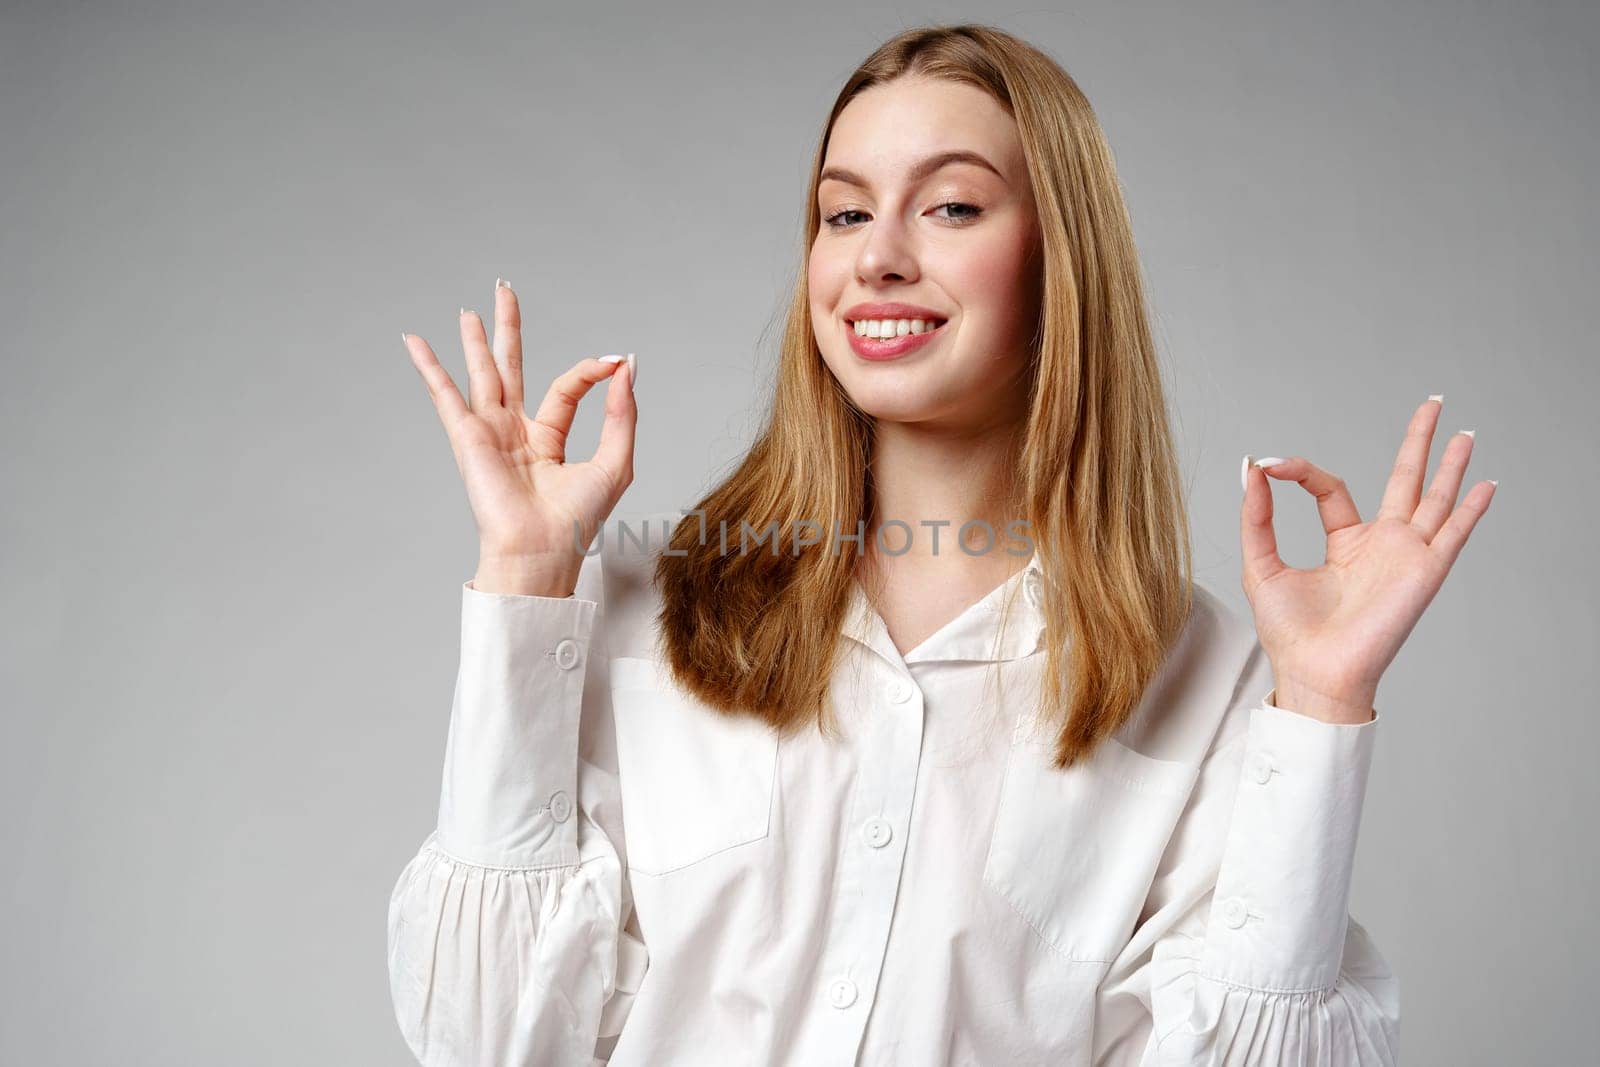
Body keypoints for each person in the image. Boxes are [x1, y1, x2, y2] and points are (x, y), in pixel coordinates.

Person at [388, 23, 1493, 1066]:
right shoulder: (643, 613)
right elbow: (481, 1034)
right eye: (845, 214)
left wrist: (1322, 704)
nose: (878, 259)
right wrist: (527, 581)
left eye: (953, 207)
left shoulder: (1203, 676)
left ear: (1062, 255)